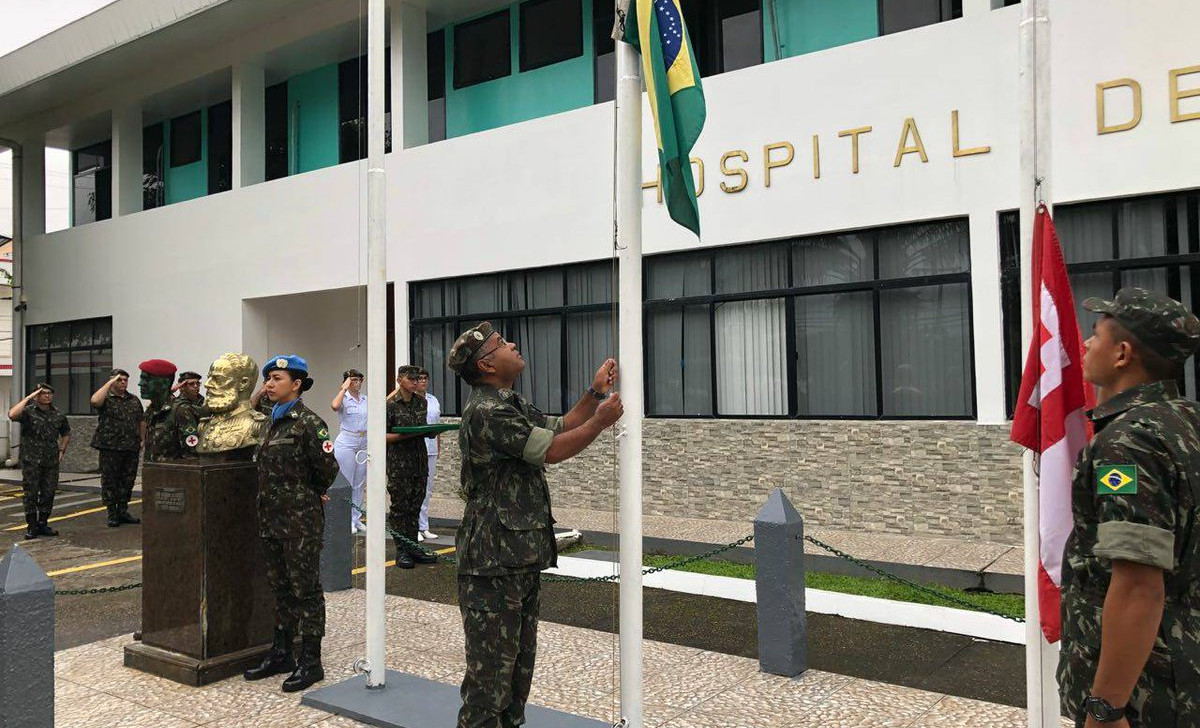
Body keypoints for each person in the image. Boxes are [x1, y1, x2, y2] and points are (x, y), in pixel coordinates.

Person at [447, 322, 622, 728]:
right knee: (490, 679)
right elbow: (552, 450)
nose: (512, 344)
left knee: (518, 671)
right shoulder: (488, 412)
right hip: (491, 562)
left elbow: (557, 426)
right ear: (487, 364)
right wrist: (599, 423)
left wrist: (594, 395)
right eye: (501, 343)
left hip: (516, 557)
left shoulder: (507, 402)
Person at [1058, 287, 1200, 728]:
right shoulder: (1186, 420)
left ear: (1121, 353)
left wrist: (1105, 708)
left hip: (1148, 691)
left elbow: (1139, 584)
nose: (1085, 344)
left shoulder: (1128, 442)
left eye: (1095, 334)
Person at [243, 355, 339, 693]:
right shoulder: (271, 421)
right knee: (280, 589)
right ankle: (282, 652)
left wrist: (310, 493)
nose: (269, 384)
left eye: (277, 378)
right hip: (271, 520)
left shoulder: (309, 423)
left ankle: (311, 661)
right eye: (268, 378)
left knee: (306, 591)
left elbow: (327, 468)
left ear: (296, 384)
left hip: (300, 522)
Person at [385, 365, 438, 568]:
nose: (415, 382)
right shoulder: (390, 405)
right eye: (411, 379)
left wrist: (429, 432)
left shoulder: (421, 402)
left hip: (419, 461)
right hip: (399, 464)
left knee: (415, 507)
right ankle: (402, 550)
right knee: (400, 508)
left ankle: (414, 547)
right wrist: (407, 434)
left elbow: (422, 428)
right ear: (400, 380)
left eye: (418, 379)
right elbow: (381, 436)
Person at [8, 383, 70, 539]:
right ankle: (32, 526)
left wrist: (61, 450)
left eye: (49, 393)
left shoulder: (58, 414)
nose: (47, 396)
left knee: (48, 493)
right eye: (43, 393)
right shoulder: (28, 412)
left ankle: (43, 523)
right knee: (31, 493)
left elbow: (66, 433)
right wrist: (28, 398)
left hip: (50, 461)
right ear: (36, 396)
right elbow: (12, 414)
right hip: (32, 460)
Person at [89, 368, 144, 527]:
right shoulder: (105, 398)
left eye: (125, 380)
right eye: (119, 380)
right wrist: (110, 383)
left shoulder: (133, 399)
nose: (123, 383)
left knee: (127, 480)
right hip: (110, 447)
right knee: (110, 480)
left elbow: (141, 420)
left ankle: (123, 511)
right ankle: (112, 513)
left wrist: (142, 439)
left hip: (130, 446)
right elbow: (94, 401)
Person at [331, 369, 368, 533]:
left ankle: (356, 518)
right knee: (348, 481)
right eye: (353, 379)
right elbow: (334, 406)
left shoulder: (366, 399)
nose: (357, 382)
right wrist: (343, 389)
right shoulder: (343, 398)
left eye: (359, 379)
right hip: (347, 440)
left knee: (360, 483)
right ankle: (345, 520)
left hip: (364, 440)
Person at [140, 359, 197, 463]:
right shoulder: (151, 410)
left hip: (172, 476)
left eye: (146, 380)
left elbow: (191, 456)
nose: (140, 384)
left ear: (164, 383)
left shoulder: (180, 410)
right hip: (152, 474)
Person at [416, 367, 440, 542]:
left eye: (425, 378)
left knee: (427, 489)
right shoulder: (412, 400)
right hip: (416, 447)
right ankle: (414, 526)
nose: (423, 381)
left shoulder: (433, 400)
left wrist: (438, 448)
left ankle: (424, 526)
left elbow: (436, 426)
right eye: (420, 378)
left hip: (431, 448)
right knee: (416, 487)